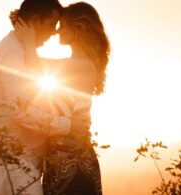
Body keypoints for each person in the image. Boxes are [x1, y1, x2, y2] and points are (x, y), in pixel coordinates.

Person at [0, 0, 91, 194]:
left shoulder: (23, 50)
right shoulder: (12, 52)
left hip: (23, 162)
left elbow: (56, 70)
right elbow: (21, 109)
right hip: (12, 160)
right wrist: (67, 125)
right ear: (35, 21)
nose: (53, 33)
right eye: (51, 24)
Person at [13, 2, 111, 194]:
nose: (57, 31)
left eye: (63, 25)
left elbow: (35, 69)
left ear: (78, 28)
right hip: (60, 164)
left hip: (74, 167)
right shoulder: (72, 63)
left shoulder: (83, 65)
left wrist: (29, 40)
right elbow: (36, 65)